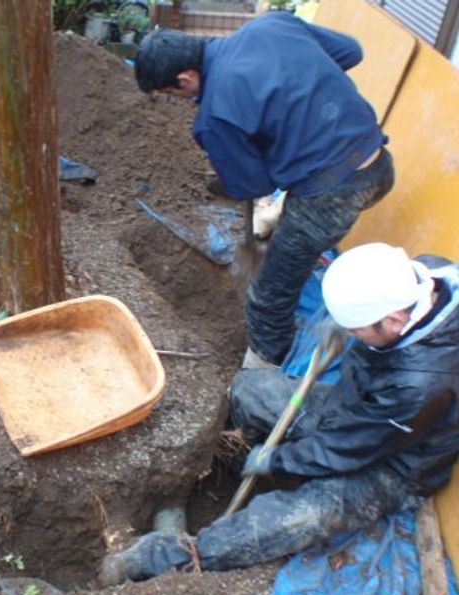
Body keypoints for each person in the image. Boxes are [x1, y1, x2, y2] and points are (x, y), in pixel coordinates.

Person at [99, 242, 459, 584]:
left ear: (393, 320)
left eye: (356, 330)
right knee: (249, 390)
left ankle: (173, 555)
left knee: (299, 518)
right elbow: (352, 424)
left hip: (392, 465)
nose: (351, 334)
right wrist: (345, 328)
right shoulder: (425, 273)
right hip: (355, 410)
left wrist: (277, 461)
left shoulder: (419, 384)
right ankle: (229, 456)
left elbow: (347, 449)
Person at [134, 13, 395, 368]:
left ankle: (260, 376)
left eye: (170, 94)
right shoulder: (272, 25)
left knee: (267, 298)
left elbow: (254, 185)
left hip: (334, 194)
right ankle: (281, 227)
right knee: (292, 209)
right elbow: (351, 51)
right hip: (378, 161)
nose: (176, 100)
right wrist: (301, 92)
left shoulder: (215, 116)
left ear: (185, 79)